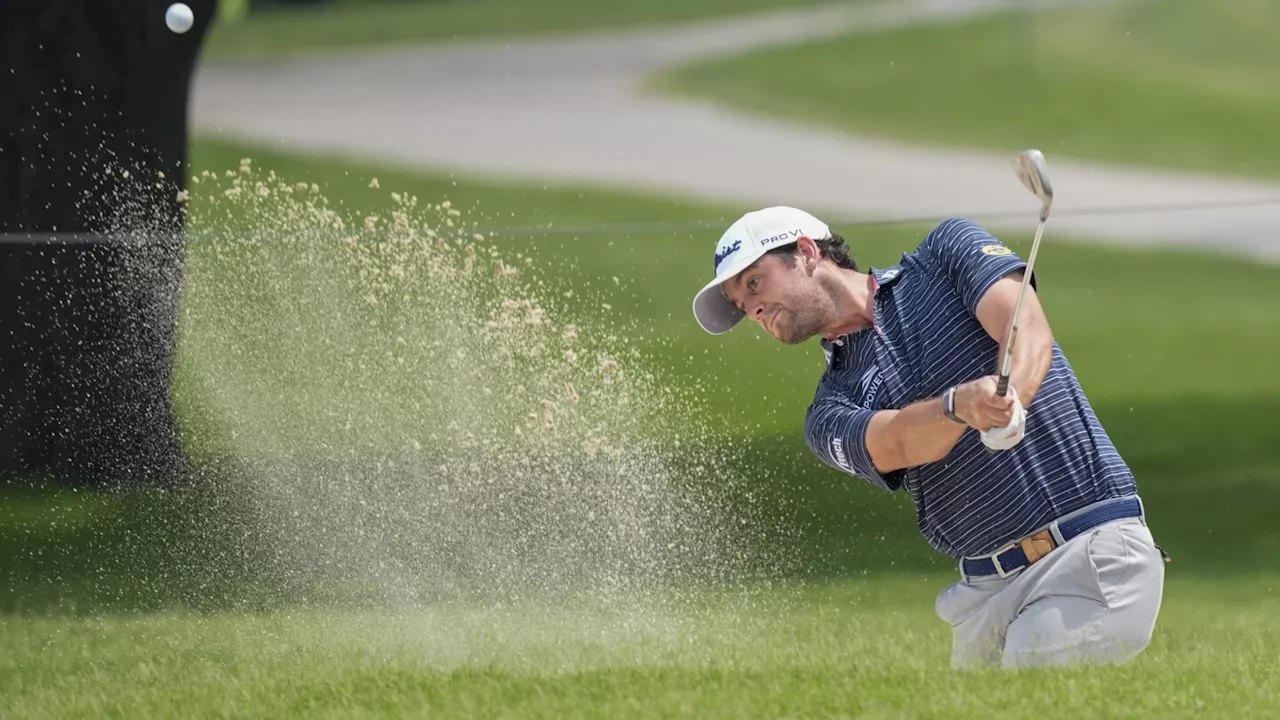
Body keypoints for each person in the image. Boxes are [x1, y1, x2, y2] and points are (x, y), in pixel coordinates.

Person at [691, 206, 1168, 670]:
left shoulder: (945, 253)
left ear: (808, 251)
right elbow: (899, 443)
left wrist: (1012, 399)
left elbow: (1026, 330)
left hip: (1081, 551)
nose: (752, 308)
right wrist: (956, 407)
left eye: (754, 282)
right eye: (740, 305)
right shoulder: (829, 410)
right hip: (982, 595)